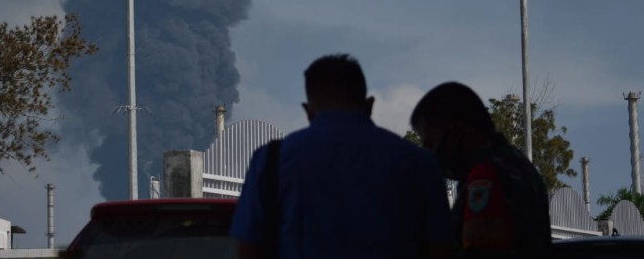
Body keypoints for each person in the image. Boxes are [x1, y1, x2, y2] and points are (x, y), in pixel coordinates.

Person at [230, 54, 454, 259]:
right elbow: (440, 249)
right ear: (369, 105)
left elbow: (250, 249)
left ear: (308, 110)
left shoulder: (271, 161)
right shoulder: (419, 163)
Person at [410, 82, 551, 257]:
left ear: (455, 133)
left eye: (430, 144)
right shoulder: (517, 164)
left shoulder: (485, 175)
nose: (428, 154)